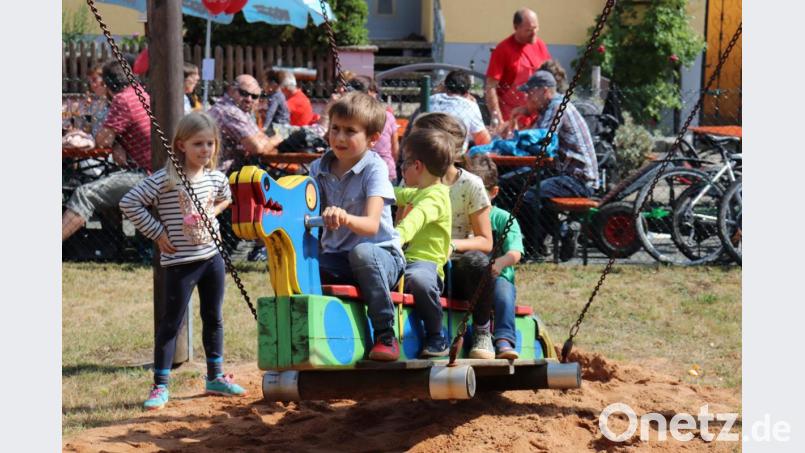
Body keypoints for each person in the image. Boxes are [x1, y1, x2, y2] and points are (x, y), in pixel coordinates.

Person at [120, 112, 245, 410]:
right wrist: (157, 232)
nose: (205, 150)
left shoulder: (215, 177)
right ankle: (160, 386)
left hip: (211, 258)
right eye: (198, 144)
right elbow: (129, 202)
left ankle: (215, 377)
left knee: (213, 316)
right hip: (180, 262)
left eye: (210, 144)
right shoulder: (165, 180)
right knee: (171, 323)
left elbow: (225, 198)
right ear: (181, 145)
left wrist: (212, 213)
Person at [309, 92, 405, 361]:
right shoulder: (318, 168)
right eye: (335, 128)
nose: (339, 137)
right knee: (300, 265)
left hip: (381, 257)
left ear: (373, 138)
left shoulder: (375, 169)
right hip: (338, 258)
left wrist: (345, 217)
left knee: (362, 253)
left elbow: (372, 225)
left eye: (350, 131)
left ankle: (386, 335)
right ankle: (312, 336)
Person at [410, 113, 496, 359]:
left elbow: (485, 241)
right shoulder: (415, 178)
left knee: (477, 263)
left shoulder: (470, 185)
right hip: (422, 261)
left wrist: (451, 244)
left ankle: (482, 331)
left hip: (456, 268)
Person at [62, 60, 152, 242]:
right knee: (105, 182)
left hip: (147, 176)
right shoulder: (140, 93)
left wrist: (115, 139)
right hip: (156, 171)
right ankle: (118, 243)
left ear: (108, 84)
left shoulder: (122, 99)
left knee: (84, 193)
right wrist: (118, 140)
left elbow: (102, 141)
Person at [514, 70, 599, 260]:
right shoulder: (551, 107)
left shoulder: (556, 107)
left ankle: (537, 248)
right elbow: (534, 140)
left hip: (578, 179)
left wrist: (515, 130)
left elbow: (540, 143)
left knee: (528, 197)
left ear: (544, 91)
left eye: (530, 93)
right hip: (565, 174)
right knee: (515, 186)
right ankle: (556, 235)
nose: (526, 97)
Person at [393, 128, 453, 357]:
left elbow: (418, 218)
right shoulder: (418, 191)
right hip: (403, 261)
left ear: (417, 166)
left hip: (426, 264)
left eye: (404, 163)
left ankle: (437, 335)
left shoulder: (436, 196)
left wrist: (398, 236)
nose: (401, 168)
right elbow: (394, 194)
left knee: (419, 280)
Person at [469, 154, 524, 359]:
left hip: (496, 276)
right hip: (470, 278)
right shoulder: (461, 216)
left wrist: (500, 263)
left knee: (503, 292)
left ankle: (504, 339)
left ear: (493, 192)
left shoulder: (502, 219)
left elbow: (515, 252)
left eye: (479, 193)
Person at [485, 8, 552, 128]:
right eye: (528, 30)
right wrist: (498, 119)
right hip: (511, 118)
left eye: (536, 28)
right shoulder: (503, 50)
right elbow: (491, 87)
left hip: (537, 117)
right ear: (516, 27)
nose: (534, 33)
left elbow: (550, 77)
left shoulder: (540, 45)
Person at [207, 74, 282, 174]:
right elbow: (257, 148)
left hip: (222, 172)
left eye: (254, 96)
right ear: (231, 90)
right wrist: (278, 138)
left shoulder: (238, 110)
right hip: (217, 176)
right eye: (244, 93)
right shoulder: (231, 111)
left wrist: (261, 142)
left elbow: (259, 137)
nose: (249, 99)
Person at [345, 75, 399, 181]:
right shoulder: (387, 115)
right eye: (375, 91)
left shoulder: (350, 117)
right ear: (370, 92)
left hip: (358, 170)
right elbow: (395, 149)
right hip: (387, 169)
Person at [428, 70, 491, 149]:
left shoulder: (430, 100)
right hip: (454, 155)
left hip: (427, 151)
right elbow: (483, 141)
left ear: (445, 86)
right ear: (467, 93)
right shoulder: (469, 105)